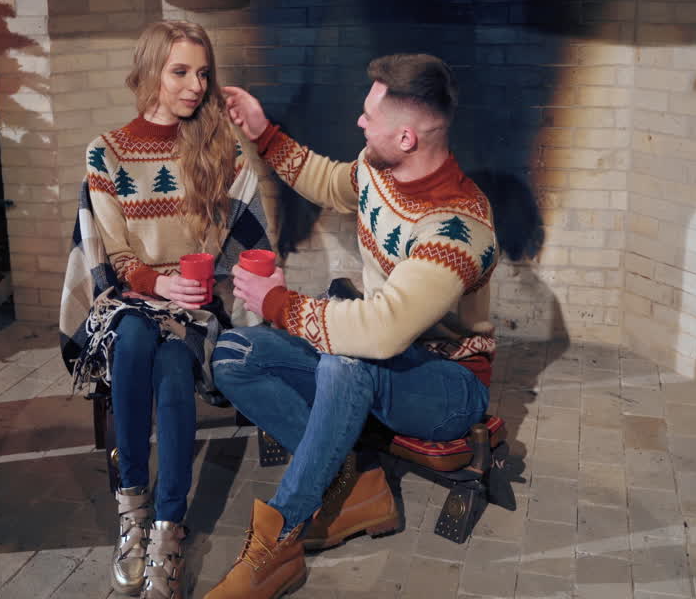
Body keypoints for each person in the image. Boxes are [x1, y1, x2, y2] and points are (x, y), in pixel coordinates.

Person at [204, 54, 498, 599]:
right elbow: (332, 181)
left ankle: (279, 540)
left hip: (447, 384)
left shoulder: (459, 227)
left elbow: (383, 330)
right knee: (232, 354)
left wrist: (279, 305)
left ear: (406, 137)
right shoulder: (376, 166)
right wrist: (263, 132)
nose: (359, 123)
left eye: (369, 116)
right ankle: (356, 488)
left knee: (348, 354)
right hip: (379, 360)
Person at [59, 20, 272, 599]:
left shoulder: (219, 149)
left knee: (175, 362)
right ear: (151, 71)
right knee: (133, 339)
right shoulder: (106, 152)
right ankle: (136, 513)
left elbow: (243, 242)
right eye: (181, 71)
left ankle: (165, 529)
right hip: (129, 298)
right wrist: (158, 285)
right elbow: (115, 255)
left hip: (195, 305)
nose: (195, 85)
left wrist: (207, 286)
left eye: (202, 73)